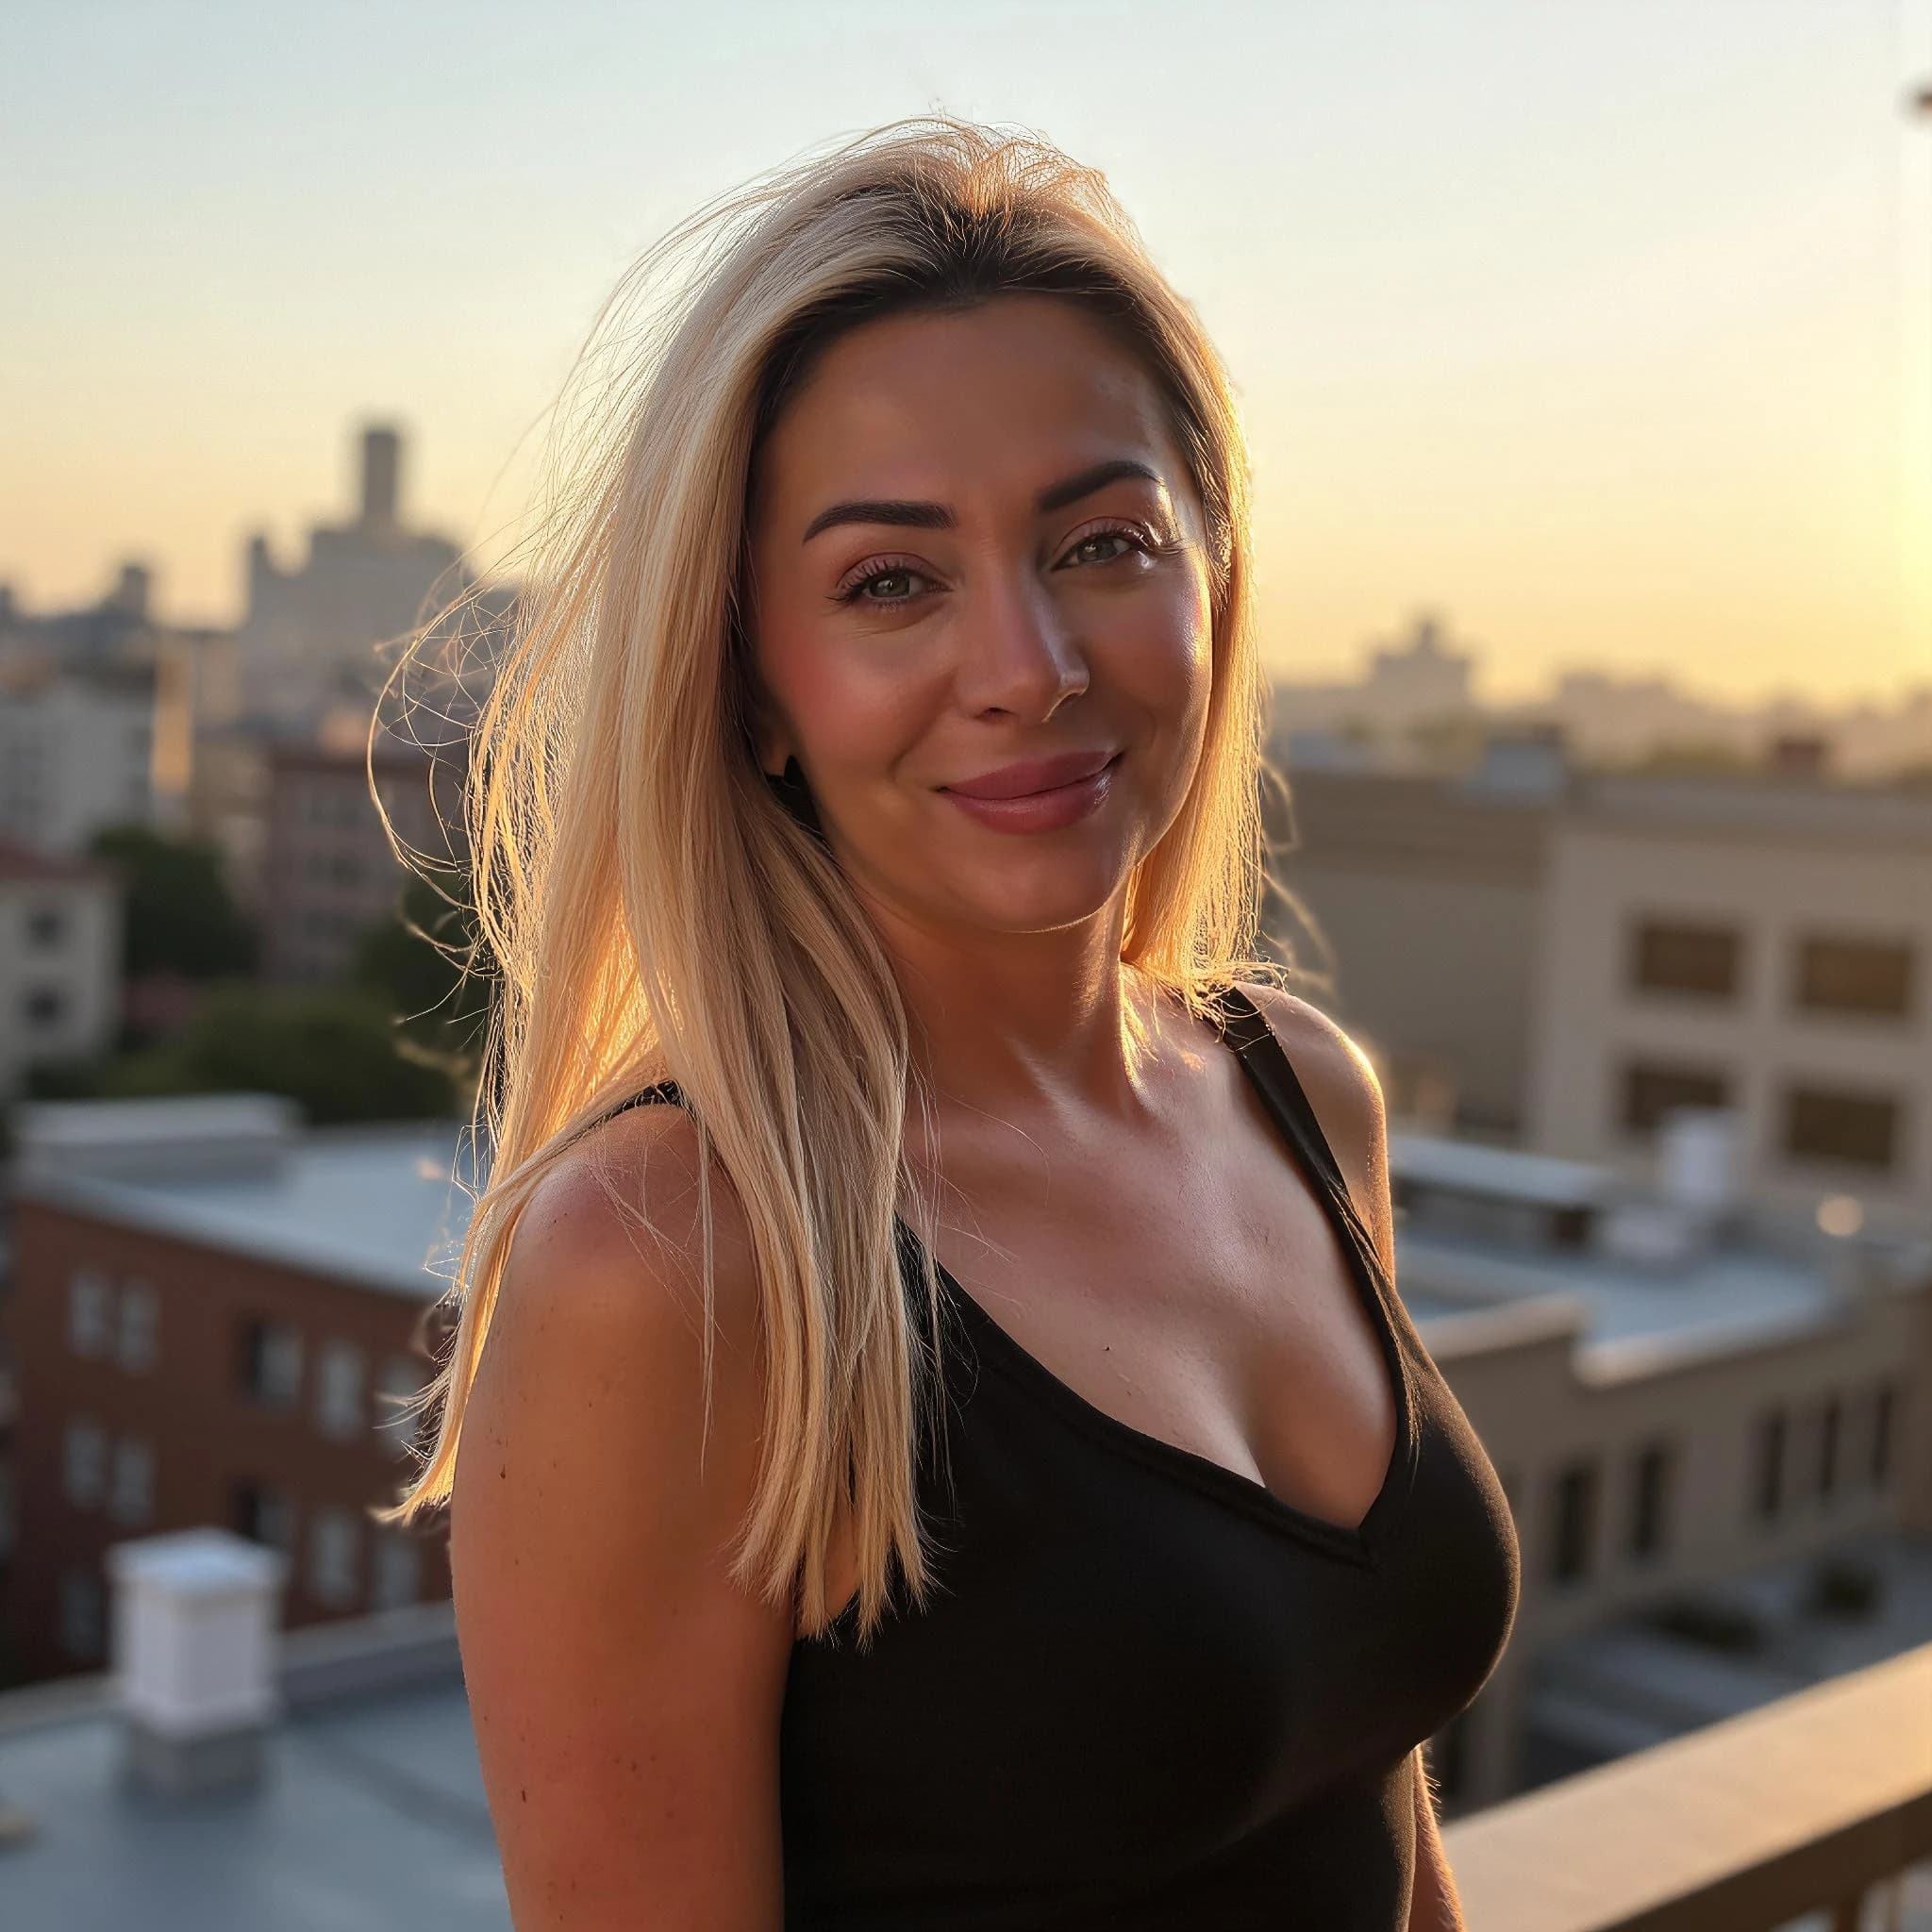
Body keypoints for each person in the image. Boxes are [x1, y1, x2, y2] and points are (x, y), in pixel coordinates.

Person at [377, 115, 1519, 1929]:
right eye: (892, 581)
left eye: (1103, 542)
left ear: (1213, 574)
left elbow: (1376, 1814)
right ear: (751, 678)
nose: (1030, 668)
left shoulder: (1300, 1093)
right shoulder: (673, 1257)